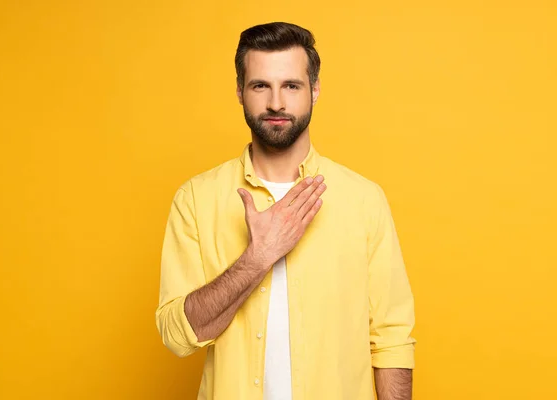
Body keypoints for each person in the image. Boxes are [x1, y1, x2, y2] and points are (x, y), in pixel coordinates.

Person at [155, 21, 416, 400]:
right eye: (260, 85)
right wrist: (258, 256)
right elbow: (178, 335)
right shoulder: (196, 199)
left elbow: (391, 339)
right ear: (240, 93)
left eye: (291, 86)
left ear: (314, 90)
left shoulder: (363, 199)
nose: (276, 103)